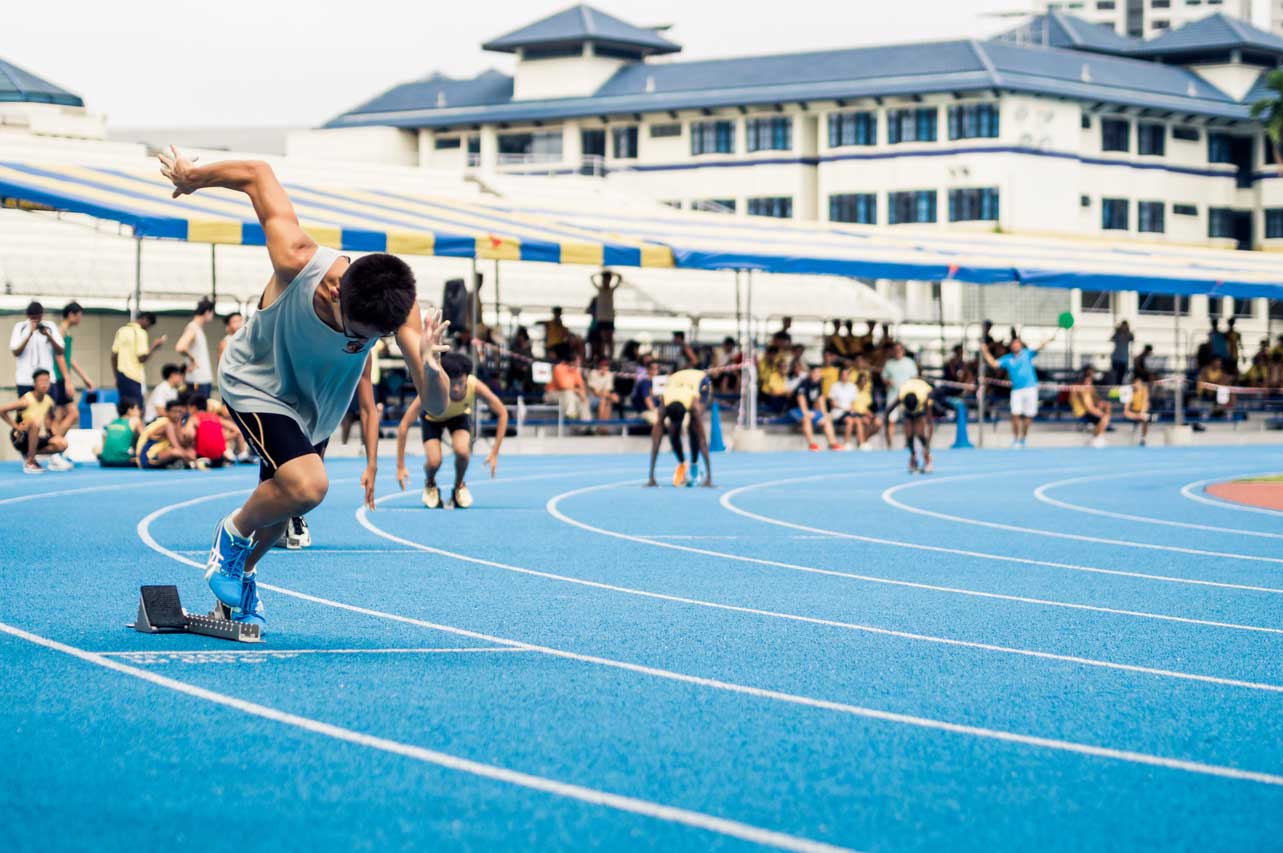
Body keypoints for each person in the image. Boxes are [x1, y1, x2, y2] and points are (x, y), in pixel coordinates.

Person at [159, 145, 450, 634]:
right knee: (308, 485)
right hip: (254, 381)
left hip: (313, 407)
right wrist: (193, 176)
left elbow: (437, 406)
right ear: (337, 291)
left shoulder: (398, 311)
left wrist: (429, 363)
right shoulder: (297, 259)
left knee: (283, 502)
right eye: (356, 333)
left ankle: (241, 576)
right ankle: (229, 535)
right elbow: (256, 172)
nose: (361, 343)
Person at [394, 352, 509, 509]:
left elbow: (502, 413)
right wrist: (400, 466)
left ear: (466, 379)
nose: (455, 388)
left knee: (463, 452)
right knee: (434, 462)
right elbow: (404, 425)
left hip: (459, 417)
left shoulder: (474, 385)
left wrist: (495, 452)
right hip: (432, 419)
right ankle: (430, 482)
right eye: (451, 383)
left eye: (460, 383)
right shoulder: (432, 388)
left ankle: (459, 486)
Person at [980, 328, 1058, 448]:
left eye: (1017, 343)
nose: (1016, 345)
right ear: (1011, 346)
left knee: (1029, 415)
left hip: (1031, 389)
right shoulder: (1008, 358)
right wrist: (985, 351)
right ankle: (1016, 439)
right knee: (1015, 414)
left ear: (1020, 345)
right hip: (1016, 390)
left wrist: (1050, 339)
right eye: (1014, 344)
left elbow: (1040, 345)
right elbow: (994, 364)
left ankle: (1023, 438)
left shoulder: (1028, 353)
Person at [646, 368, 713, 488]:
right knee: (673, 431)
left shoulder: (693, 404)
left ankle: (694, 464)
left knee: (695, 428)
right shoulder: (664, 403)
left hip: (700, 380)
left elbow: (702, 440)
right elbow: (656, 441)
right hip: (676, 379)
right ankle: (682, 463)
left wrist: (709, 478)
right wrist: (651, 477)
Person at [1, 369, 71, 474]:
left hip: (37, 436)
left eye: (46, 381)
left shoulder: (49, 401)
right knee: (35, 422)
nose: (44, 384)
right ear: (35, 383)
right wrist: (16, 426)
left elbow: (52, 420)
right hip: (20, 437)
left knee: (62, 443)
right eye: (41, 381)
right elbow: (2, 410)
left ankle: (29, 454)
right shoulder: (26, 401)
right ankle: (29, 463)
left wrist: (52, 430)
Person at [51, 302, 94, 433]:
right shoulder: (61, 331)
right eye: (79, 315)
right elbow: (59, 357)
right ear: (71, 315)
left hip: (61, 377)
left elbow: (68, 358)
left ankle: (54, 445)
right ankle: (54, 443)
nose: (80, 318)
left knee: (59, 415)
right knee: (72, 414)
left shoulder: (67, 332)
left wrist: (84, 377)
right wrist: (67, 380)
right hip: (59, 378)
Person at [883, 374, 936, 473]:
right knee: (909, 434)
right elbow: (887, 411)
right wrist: (886, 429)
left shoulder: (925, 398)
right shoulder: (901, 395)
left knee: (920, 433)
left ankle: (928, 459)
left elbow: (930, 424)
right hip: (908, 407)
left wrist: (927, 446)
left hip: (920, 407)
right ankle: (913, 456)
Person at [10, 301, 64, 397]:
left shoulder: (50, 326)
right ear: (27, 315)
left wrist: (48, 336)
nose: (35, 321)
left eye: (38, 318)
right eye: (33, 318)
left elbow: (60, 351)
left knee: (49, 410)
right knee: (26, 411)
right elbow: (15, 352)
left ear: (42, 315)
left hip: (47, 381)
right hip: (25, 380)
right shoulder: (20, 327)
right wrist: (29, 334)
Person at [112, 312, 166, 405]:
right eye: (149, 324)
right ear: (145, 319)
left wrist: (117, 376)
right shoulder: (141, 333)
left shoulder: (122, 331)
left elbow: (113, 356)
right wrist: (155, 346)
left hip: (121, 375)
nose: (148, 328)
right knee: (137, 409)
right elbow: (142, 358)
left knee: (125, 409)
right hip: (134, 376)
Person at [792, 363, 844, 451]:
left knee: (826, 420)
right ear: (810, 373)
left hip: (809, 410)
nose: (818, 375)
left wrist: (824, 413)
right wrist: (806, 412)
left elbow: (820, 399)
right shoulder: (804, 383)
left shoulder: (818, 383)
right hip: (795, 409)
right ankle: (812, 444)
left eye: (819, 372)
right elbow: (801, 398)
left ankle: (833, 443)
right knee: (806, 419)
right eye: (816, 373)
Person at [137, 397, 199, 469]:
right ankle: (191, 464)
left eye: (179, 412)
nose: (177, 414)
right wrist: (191, 458)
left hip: (159, 454)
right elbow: (176, 446)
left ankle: (186, 464)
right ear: (167, 412)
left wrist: (189, 445)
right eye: (174, 411)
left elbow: (182, 442)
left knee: (189, 451)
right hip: (147, 457)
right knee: (176, 452)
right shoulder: (166, 424)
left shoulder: (176, 423)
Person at [828, 365, 879, 451]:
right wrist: (844, 408)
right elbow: (833, 404)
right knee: (850, 420)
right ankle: (846, 443)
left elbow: (852, 403)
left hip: (849, 412)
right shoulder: (834, 386)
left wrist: (851, 409)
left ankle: (861, 443)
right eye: (843, 375)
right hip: (838, 412)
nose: (845, 376)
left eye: (846, 375)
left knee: (859, 421)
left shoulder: (852, 387)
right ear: (840, 375)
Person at [176, 298, 216, 397]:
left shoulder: (197, 328)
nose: (212, 316)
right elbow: (180, 347)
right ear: (207, 312)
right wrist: (193, 359)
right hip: (198, 379)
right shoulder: (193, 328)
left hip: (202, 378)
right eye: (212, 313)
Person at [880, 342, 918, 444]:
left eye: (899, 350)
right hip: (893, 396)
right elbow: (884, 378)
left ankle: (908, 444)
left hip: (907, 395)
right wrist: (889, 382)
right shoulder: (889, 364)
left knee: (908, 421)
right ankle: (889, 445)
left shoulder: (910, 363)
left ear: (903, 351)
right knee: (891, 420)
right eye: (895, 350)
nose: (897, 352)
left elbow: (914, 378)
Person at [1068, 366, 1111, 448]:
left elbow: (1096, 399)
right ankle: (1096, 438)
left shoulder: (1090, 388)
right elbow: (1089, 408)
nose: (1089, 382)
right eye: (1088, 380)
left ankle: (1097, 436)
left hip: (1087, 410)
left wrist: (1101, 404)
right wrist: (1101, 414)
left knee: (1107, 408)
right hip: (1082, 412)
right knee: (1105, 418)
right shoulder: (1082, 389)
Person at [97, 398, 142, 467]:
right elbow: (145, 437)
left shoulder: (113, 421)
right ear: (130, 410)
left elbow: (104, 438)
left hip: (105, 461)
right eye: (137, 409)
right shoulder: (135, 420)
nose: (139, 411)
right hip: (123, 461)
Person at [188, 394, 231, 467]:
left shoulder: (193, 418)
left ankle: (196, 462)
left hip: (201, 455)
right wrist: (222, 438)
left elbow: (188, 434)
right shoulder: (216, 417)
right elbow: (237, 430)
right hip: (219, 457)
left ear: (193, 407)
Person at [545, 352, 590, 420]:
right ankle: (570, 416)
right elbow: (563, 386)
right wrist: (577, 390)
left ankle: (586, 425)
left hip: (567, 395)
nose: (579, 363)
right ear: (572, 362)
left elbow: (581, 386)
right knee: (568, 393)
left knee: (582, 399)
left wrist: (582, 393)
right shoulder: (558, 368)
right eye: (578, 361)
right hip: (551, 394)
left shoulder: (575, 371)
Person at [589, 270, 620, 361]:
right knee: (602, 339)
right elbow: (592, 279)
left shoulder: (611, 290)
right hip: (601, 318)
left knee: (609, 339)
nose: (606, 282)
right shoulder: (600, 290)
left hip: (609, 318)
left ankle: (611, 357)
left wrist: (614, 273)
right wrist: (599, 273)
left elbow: (619, 279)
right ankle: (603, 356)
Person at [1122, 371, 1154, 446]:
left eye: (1139, 383)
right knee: (1140, 416)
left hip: (1141, 412)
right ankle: (1144, 418)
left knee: (1145, 417)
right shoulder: (1129, 391)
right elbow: (1126, 410)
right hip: (1132, 412)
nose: (1137, 385)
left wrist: (1141, 413)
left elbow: (1145, 403)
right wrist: (1137, 415)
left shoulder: (1144, 389)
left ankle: (1143, 438)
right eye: (1135, 383)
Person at [587, 356, 618, 431]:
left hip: (602, 397)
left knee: (607, 401)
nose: (605, 367)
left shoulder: (609, 375)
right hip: (591, 398)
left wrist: (610, 396)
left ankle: (604, 427)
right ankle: (600, 427)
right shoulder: (593, 373)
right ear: (599, 366)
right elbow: (595, 392)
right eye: (603, 366)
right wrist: (611, 396)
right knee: (604, 400)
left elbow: (606, 391)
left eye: (606, 366)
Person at [631, 359, 661, 425]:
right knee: (657, 420)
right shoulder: (644, 383)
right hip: (645, 411)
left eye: (657, 369)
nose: (654, 371)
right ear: (647, 370)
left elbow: (662, 399)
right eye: (652, 369)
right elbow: (647, 400)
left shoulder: (660, 383)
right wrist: (656, 412)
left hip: (657, 410)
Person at [1109, 320, 1133, 386]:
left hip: (1123, 359)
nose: (1124, 327)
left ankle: (1119, 387)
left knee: (1121, 376)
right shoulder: (1117, 334)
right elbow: (1111, 339)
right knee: (1115, 376)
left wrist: (1126, 333)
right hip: (1116, 358)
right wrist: (1117, 331)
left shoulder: (1128, 334)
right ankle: (1114, 387)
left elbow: (1132, 338)